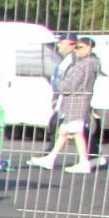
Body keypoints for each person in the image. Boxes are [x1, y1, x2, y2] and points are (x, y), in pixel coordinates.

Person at [29, 36, 100, 173]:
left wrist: (56, 83)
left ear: (89, 48)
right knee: (63, 131)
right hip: (75, 102)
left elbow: (69, 86)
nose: (76, 50)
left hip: (75, 103)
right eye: (76, 46)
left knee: (77, 133)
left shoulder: (83, 65)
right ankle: (51, 158)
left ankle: (83, 162)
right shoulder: (88, 64)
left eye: (80, 47)